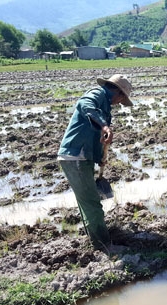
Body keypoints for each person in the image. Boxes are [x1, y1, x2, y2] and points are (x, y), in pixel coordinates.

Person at [57, 74, 133, 254]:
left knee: (86, 201)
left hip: (84, 156)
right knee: (92, 204)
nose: (118, 104)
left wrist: (100, 156)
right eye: (121, 101)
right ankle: (104, 246)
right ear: (119, 94)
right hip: (76, 156)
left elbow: (96, 136)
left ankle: (95, 236)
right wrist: (105, 126)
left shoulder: (105, 107)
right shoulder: (98, 93)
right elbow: (85, 105)